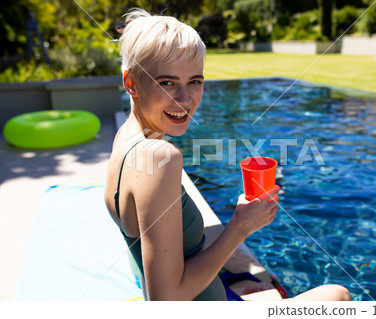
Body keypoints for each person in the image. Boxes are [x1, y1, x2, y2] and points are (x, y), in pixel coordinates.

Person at [104, 8, 351, 301]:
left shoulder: (125, 139)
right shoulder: (160, 158)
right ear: (131, 83)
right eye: (167, 83)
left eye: (194, 81)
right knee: (338, 294)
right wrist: (239, 228)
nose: (184, 100)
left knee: (260, 289)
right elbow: (166, 301)